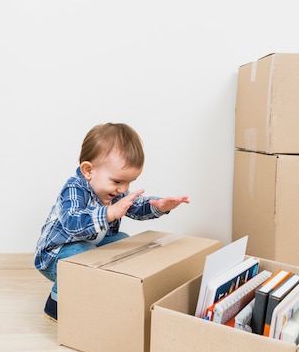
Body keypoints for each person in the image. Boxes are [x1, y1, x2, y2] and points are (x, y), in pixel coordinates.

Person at [34, 123, 189, 322]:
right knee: (79, 254)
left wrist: (160, 206)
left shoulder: (112, 191)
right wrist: (110, 212)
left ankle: (102, 286)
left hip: (89, 247)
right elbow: (74, 223)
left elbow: (137, 207)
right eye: (117, 182)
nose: (122, 189)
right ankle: (55, 304)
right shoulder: (73, 189)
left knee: (123, 240)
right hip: (55, 255)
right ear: (88, 170)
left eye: (129, 183)